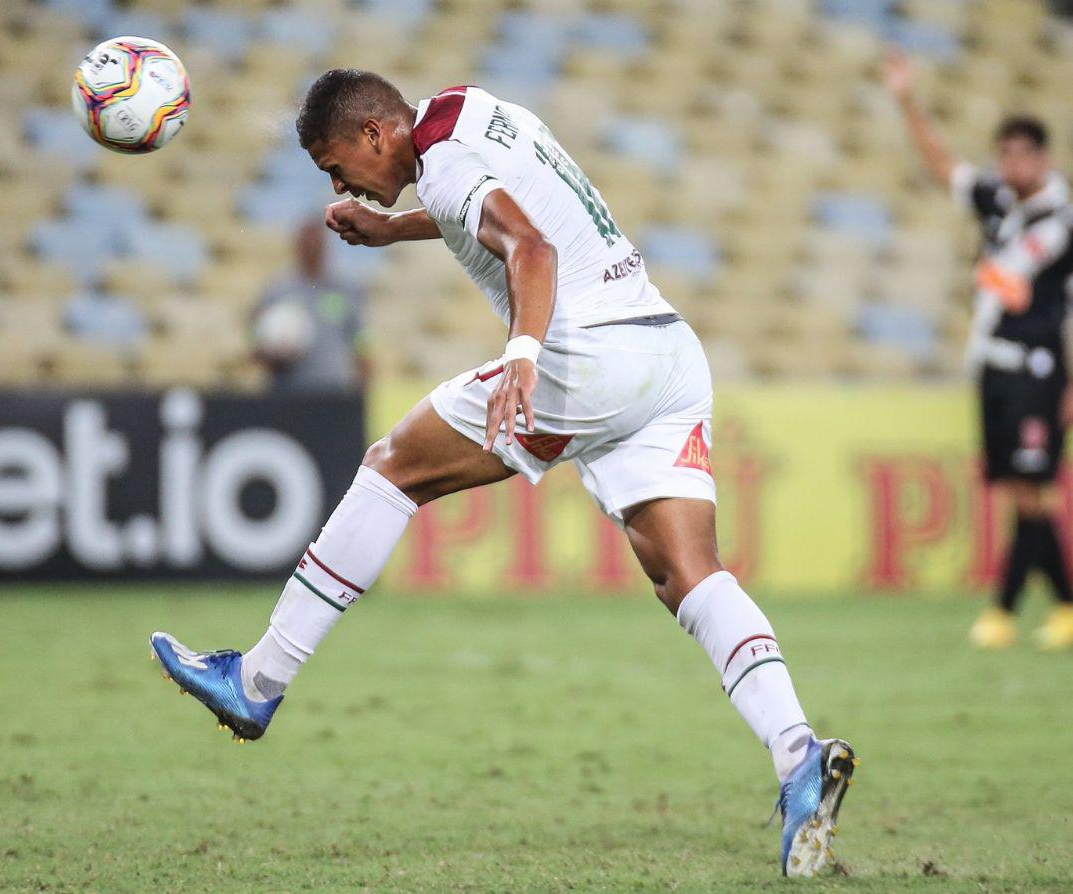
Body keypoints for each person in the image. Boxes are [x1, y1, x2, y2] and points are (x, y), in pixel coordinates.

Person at [151, 71, 856, 877]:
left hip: (580, 355)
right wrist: (393, 230)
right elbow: (492, 210)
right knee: (688, 575)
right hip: (664, 353)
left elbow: (530, 244)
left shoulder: (445, 167)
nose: (339, 184)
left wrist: (523, 356)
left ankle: (259, 679)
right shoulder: (466, 109)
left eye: (334, 164)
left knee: (392, 468)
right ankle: (800, 756)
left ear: (376, 134)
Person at [886, 49, 1073, 651]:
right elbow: (944, 167)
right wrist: (907, 99)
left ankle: (1013, 608)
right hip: (994, 367)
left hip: (1037, 368)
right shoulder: (997, 200)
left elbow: (1016, 285)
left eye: (1024, 153)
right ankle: (1052, 609)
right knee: (1022, 490)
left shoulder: (1059, 220)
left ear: (1043, 158)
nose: (1013, 163)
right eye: (1007, 153)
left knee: (1031, 491)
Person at [252, 219, 369, 392]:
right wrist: (269, 351)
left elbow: (359, 338)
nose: (312, 247)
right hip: (287, 389)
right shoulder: (279, 289)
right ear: (297, 246)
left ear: (326, 246)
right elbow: (256, 335)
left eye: (316, 242)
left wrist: (364, 380)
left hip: (333, 388)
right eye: (306, 242)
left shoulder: (345, 288)